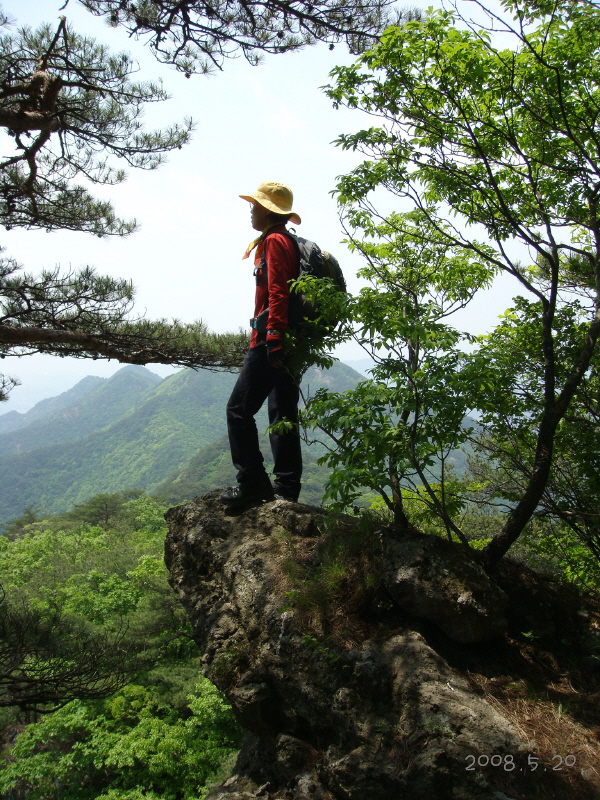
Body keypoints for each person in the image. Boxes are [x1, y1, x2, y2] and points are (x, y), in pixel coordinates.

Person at [220, 181, 303, 512]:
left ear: (269, 210)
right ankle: (286, 488)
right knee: (282, 412)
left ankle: (253, 486)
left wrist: (271, 337)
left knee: (238, 411)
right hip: (290, 338)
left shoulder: (274, 241)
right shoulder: (288, 241)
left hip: (272, 337)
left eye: (255, 205)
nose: (251, 209)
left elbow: (278, 292)